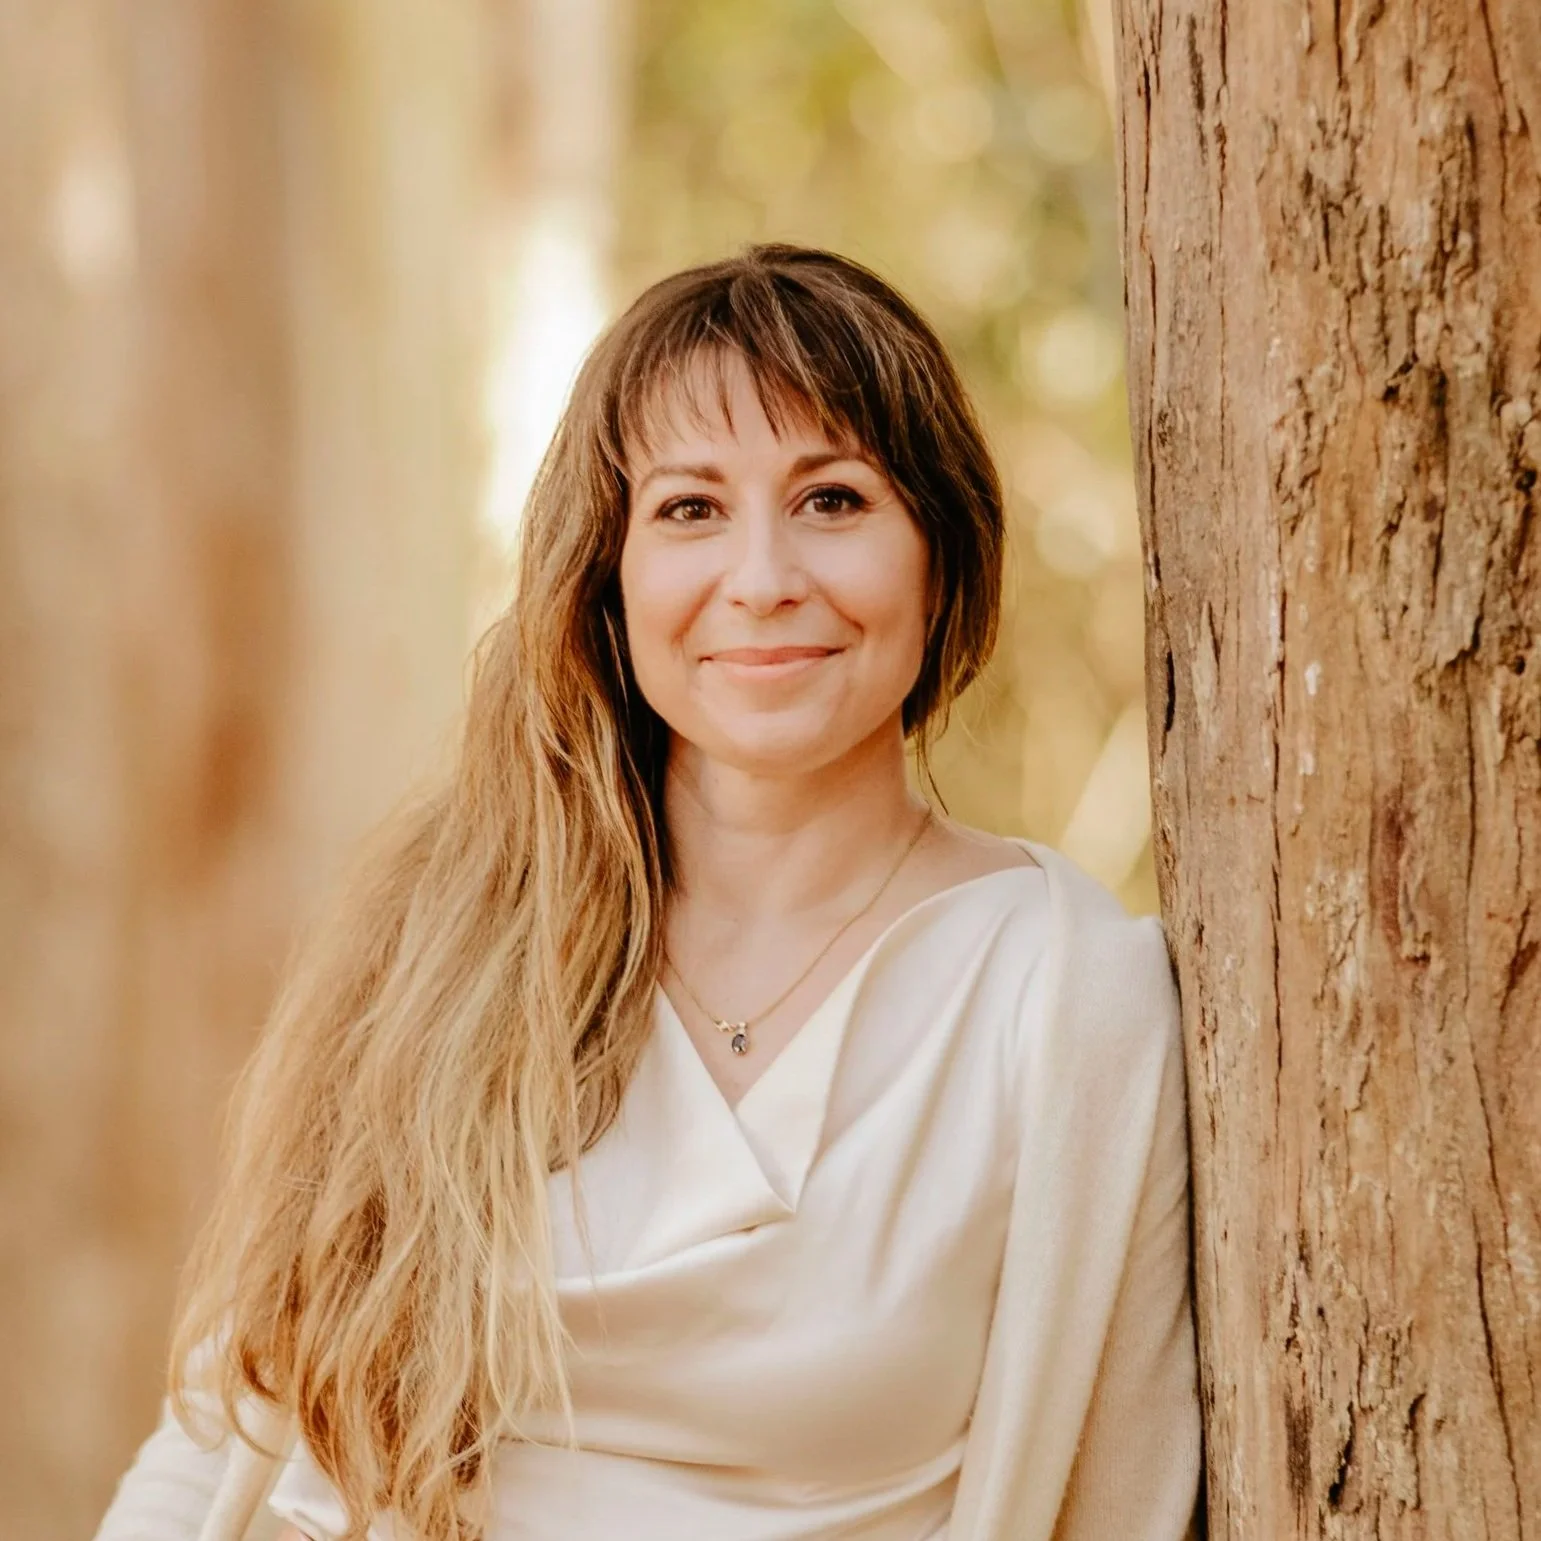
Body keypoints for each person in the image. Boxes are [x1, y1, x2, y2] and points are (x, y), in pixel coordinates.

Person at [93, 243, 1202, 1541]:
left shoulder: (1070, 997)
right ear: (609, 578)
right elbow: (222, 1434)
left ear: (942, 552)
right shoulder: (444, 941)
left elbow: (1126, 1498)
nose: (764, 577)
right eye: (690, 510)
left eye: (833, 500)